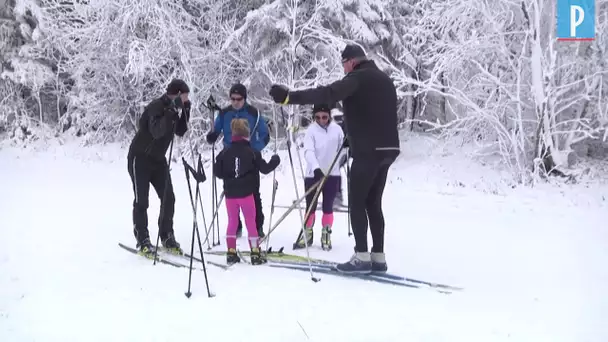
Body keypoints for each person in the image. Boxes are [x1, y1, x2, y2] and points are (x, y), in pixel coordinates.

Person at [268, 44, 400, 274]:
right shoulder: (384, 80)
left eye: (344, 64)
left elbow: (327, 93)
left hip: (368, 151)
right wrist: (352, 135)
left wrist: (289, 98)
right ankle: (378, 257)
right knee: (373, 203)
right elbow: (374, 112)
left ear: (350, 62)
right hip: (387, 150)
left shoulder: (357, 78)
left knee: (357, 203)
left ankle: (361, 257)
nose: (344, 69)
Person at [127, 79, 191, 255]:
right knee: (142, 200)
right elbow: (156, 131)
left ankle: (167, 235)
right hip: (139, 158)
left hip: (158, 160)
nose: (186, 99)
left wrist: (186, 111)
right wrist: (171, 111)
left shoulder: (175, 108)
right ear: (177, 94)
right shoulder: (156, 106)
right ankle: (143, 239)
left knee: (168, 197)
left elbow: (180, 131)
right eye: (185, 96)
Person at [206, 83, 270, 239]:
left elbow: (265, 135)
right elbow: (215, 131)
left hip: (249, 158)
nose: (235, 102)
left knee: (253, 193)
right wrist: (212, 136)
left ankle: (257, 226)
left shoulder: (253, 113)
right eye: (232, 99)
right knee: (231, 194)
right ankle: (236, 226)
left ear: (244, 98)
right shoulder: (224, 114)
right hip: (229, 157)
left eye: (239, 99)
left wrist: (255, 150)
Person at [213, 119, 280, 265]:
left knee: (232, 221)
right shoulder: (252, 152)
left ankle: (231, 252)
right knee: (250, 221)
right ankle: (255, 253)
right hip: (246, 194)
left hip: (230, 194)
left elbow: (217, 172)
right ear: (247, 134)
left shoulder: (225, 153)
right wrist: (275, 160)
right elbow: (265, 169)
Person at [293, 104, 345, 251]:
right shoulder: (311, 131)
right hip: (313, 174)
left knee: (328, 206)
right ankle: (307, 233)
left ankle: (326, 234)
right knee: (311, 206)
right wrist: (316, 168)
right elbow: (308, 151)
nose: (321, 120)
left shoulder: (337, 130)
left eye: (324, 117)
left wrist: (347, 148)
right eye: (317, 117)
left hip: (332, 174)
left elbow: (342, 150)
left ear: (329, 116)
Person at [331, 111, 349, 208]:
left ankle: (337, 197)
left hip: (346, 150)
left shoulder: (345, 122)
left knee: (334, 169)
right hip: (341, 150)